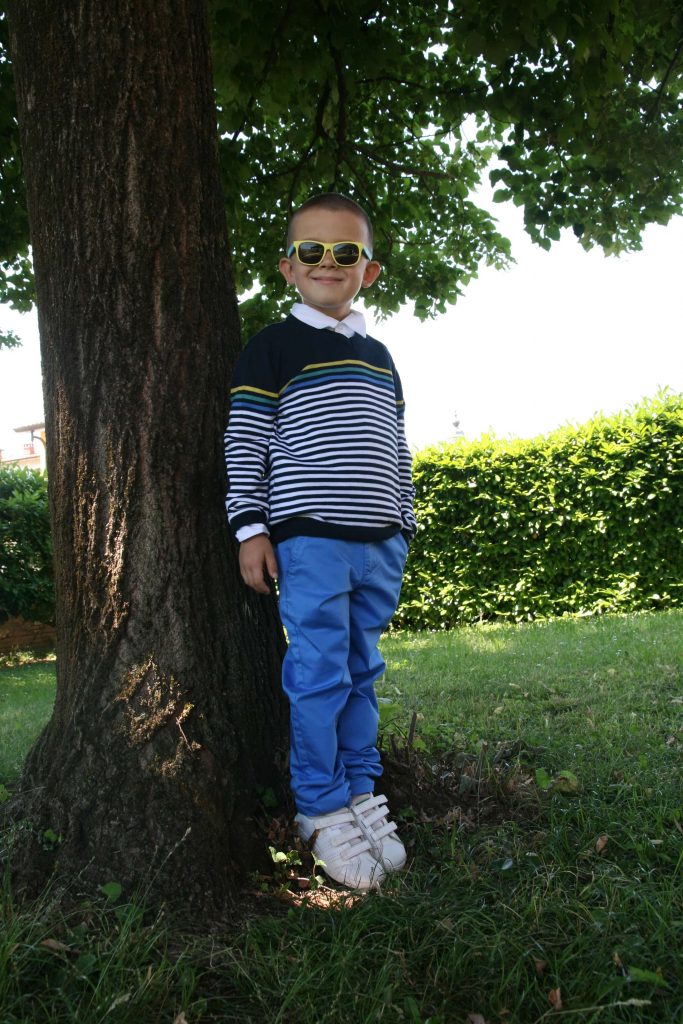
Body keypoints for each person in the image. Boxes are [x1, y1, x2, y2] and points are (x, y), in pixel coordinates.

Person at [224, 193, 416, 890]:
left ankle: (361, 791)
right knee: (318, 674)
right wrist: (250, 527)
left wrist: (404, 521)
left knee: (363, 670)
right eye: (311, 250)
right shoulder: (271, 347)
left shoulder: (380, 356)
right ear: (288, 267)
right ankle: (320, 805)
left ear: (368, 270)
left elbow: (396, 444)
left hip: (380, 543)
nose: (327, 263)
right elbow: (245, 441)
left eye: (345, 252)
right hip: (309, 542)